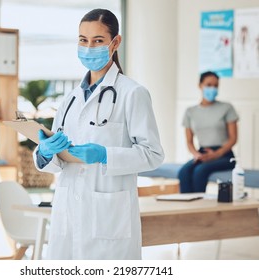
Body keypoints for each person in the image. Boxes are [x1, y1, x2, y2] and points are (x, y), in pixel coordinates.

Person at [33, 8, 164, 260]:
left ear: (115, 43)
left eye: (98, 41)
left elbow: (153, 154)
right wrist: (44, 153)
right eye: (83, 40)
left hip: (109, 218)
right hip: (68, 215)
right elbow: (57, 161)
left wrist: (105, 155)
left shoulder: (132, 93)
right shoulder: (70, 99)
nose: (89, 47)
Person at [178, 71, 239, 193]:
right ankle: (188, 209)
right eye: (209, 84)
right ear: (200, 85)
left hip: (224, 155)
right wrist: (196, 155)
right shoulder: (190, 112)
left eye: (216, 85)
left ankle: (199, 209)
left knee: (200, 171)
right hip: (202, 154)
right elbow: (189, 141)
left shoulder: (227, 108)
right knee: (183, 172)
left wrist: (216, 154)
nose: (213, 88)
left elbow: (233, 138)